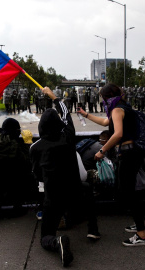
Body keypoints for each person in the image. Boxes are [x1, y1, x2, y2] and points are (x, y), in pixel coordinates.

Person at [30, 87, 100, 267]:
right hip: (75, 190)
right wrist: (54, 97)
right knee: (88, 192)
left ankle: (56, 242)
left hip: (53, 196)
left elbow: (37, 174)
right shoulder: (68, 137)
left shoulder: (35, 148)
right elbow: (66, 114)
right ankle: (93, 229)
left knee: (45, 235)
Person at [78, 83, 145, 247]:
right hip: (134, 152)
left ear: (106, 97)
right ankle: (141, 224)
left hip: (129, 153)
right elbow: (105, 122)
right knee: (130, 191)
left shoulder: (117, 109)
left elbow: (117, 134)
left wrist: (102, 150)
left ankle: (142, 235)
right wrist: (86, 115)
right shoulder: (122, 107)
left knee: (128, 192)